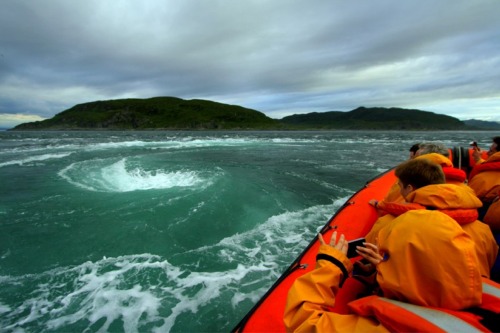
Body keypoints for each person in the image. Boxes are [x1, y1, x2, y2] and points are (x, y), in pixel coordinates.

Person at [284, 212, 500, 332]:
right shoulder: (484, 288)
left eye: (385, 255)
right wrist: (379, 274)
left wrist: (331, 265)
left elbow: (302, 323)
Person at [367, 158, 498, 278]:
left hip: (411, 300)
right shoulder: (483, 230)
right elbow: (489, 260)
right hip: (475, 297)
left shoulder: (389, 224)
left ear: (409, 188)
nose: (400, 192)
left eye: (400, 186)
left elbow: (370, 255)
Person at [469, 136, 500, 230]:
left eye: (491, 151)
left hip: (489, 223)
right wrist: (478, 159)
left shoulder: (482, 179)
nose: (487, 153)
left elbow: (470, 199)